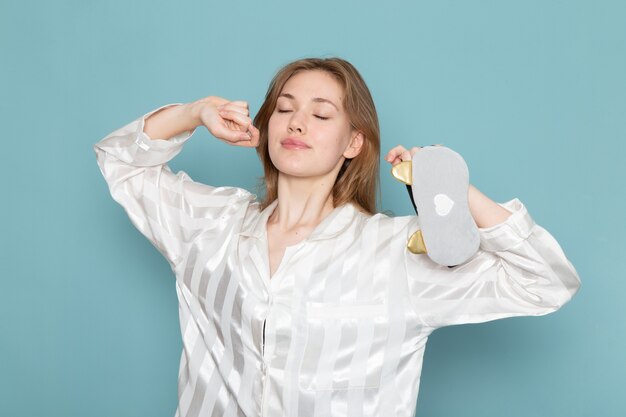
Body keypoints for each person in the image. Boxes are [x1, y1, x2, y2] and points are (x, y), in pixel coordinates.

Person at [93, 57, 581, 417]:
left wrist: (451, 185)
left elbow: (547, 282)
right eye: (284, 109)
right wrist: (195, 112)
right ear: (264, 127)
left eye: (321, 114)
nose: (298, 121)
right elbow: (119, 161)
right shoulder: (209, 226)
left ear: (353, 142)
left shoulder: (397, 256)